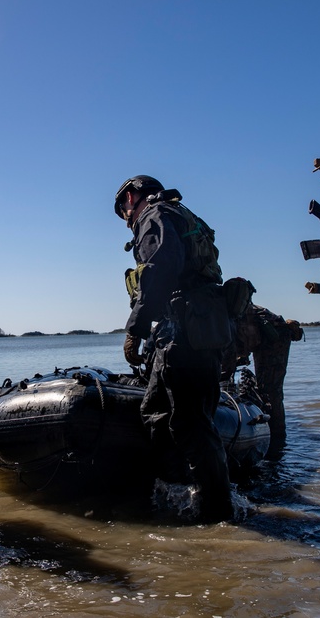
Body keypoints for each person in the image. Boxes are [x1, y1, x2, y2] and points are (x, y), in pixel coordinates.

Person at [116, 175, 234, 522]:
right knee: (158, 413)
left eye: (124, 205)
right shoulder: (181, 214)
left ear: (133, 195)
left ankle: (217, 515)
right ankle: (180, 501)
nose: (125, 216)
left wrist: (135, 328)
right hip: (198, 328)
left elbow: (160, 268)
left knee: (189, 423)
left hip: (183, 330)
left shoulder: (155, 214)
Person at [223, 301, 303, 460]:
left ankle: (277, 442)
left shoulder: (219, 320)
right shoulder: (215, 317)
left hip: (274, 335)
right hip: (260, 333)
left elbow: (227, 361)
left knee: (270, 390)